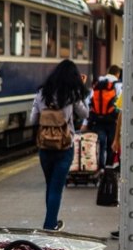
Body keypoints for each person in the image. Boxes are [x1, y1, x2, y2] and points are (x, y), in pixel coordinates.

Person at [29, 59, 89, 231]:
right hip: (64, 147)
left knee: (50, 185)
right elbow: (85, 113)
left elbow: (33, 119)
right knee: (56, 187)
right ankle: (50, 224)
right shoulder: (71, 94)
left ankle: (52, 220)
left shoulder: (41, 93)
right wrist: (80, 92)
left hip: (45, 147)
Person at [85, 64, 122, 171]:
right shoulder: (118, 84)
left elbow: (89, 103)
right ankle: (109, 167)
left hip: (98, 119)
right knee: (112, 143)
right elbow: (120, 107)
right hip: (112, 120)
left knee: (100, 142)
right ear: (117, 74)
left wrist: (85, 123)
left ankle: (99, 167)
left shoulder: (97, 84)